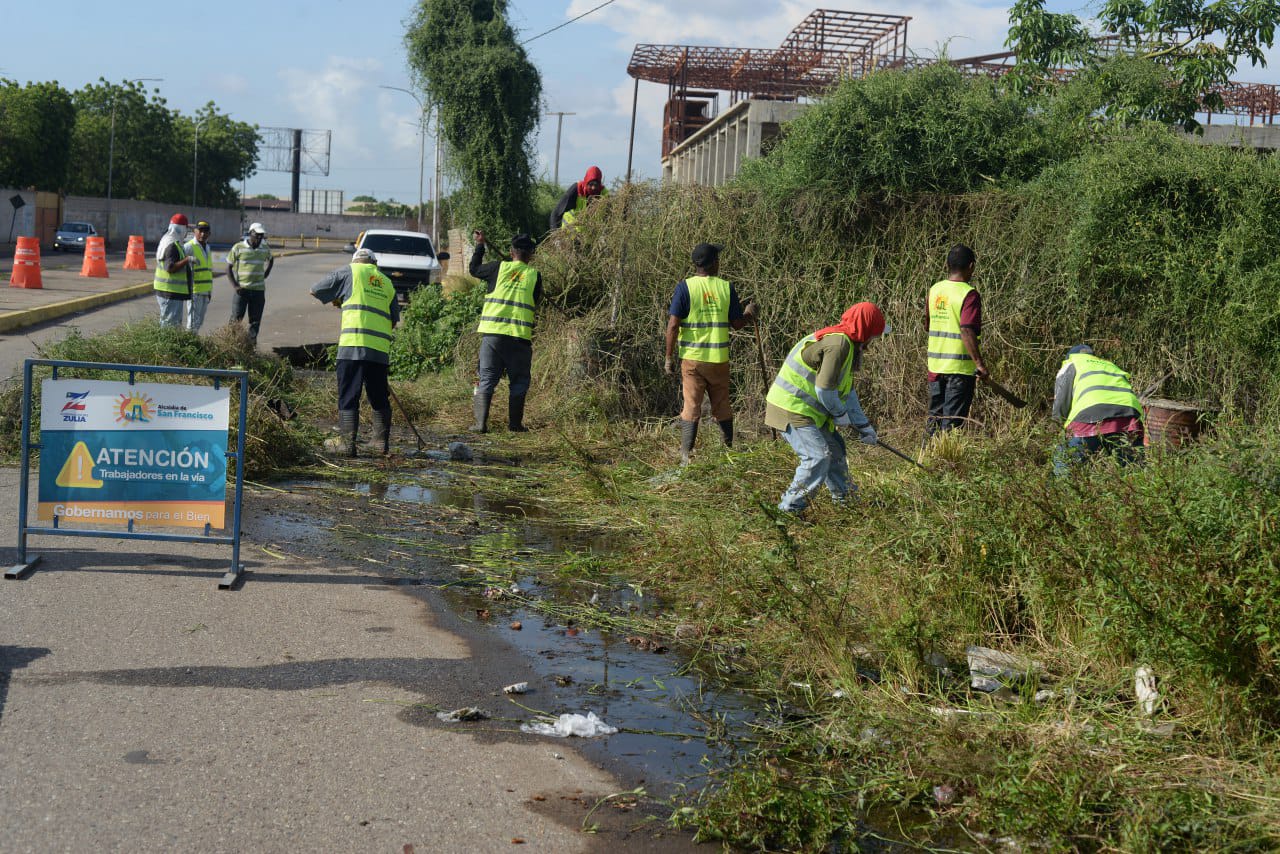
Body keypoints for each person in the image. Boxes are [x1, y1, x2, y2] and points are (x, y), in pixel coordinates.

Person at [766, 303, 887, 513]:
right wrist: (840, 414)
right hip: (791, 406)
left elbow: (846, 392)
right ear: (866, 330)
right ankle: (789, 509)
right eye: (874, 336)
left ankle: (846, 502)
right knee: (817, 457)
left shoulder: (848, 344)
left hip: (807, 410)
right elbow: (824, 389)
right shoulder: (839, 344)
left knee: (835, 450)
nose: (873, 341)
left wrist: (863, 425)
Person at [663, 243, 756, 464]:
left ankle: (686, 455)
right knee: (722, 405)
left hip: (693, 361)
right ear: (714, 263)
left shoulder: (685, 288)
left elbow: (673, 325)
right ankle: (728, 452)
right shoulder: (726, 287)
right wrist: (749, 313)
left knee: (691, 406)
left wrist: (668, 357)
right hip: (719, 360)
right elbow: (737, 324)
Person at [310, 247, 401, 457]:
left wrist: (339, 299)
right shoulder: (386, 283)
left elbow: (315, 290)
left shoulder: (349, 272)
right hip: (379, 350)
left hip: (352, 345)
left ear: (356, 260)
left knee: (349, 395)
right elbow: (394, 320)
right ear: (374, 264)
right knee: (378, 396)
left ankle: (347, 444)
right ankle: (380, 443)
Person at [470, 230, 543, 433]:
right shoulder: (535, 276)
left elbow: (474, 269)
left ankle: (480, 424)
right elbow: (535, 302)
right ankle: (515, 425)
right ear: (532, 255)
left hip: (493, 336)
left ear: (511, 252)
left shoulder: (497, 268)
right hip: (519, 337)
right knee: (519, 382)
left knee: (487, 379)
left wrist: (480, 245)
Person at [924, 243, 988, 440]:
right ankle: (942, 467)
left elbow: (927, 324)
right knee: (951, 425)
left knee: (935, 419)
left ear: (947, 265)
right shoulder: (969, 294)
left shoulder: (935, 290)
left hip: (936, 367)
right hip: (959, 370)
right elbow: (966, 329)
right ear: (971, 266)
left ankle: (925, 461)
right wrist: (979, 364)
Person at [1052, 344, 1145, 474]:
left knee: (1064, 463)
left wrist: (1058, 427)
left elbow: (1062, 403)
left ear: (1069, 356)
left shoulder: (1071, 364)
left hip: (1090, 416)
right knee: (1133, 472)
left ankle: (1061, 492)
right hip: (1129, 418)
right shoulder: (1110, 365)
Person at [226, 222, 274, 345]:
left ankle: (251, 345)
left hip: (258, 290)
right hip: (242, 290)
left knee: (255, 321)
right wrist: (235, 286)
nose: (259, 237)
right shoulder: (238, 247)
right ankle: (230, 343)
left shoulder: (264, 248)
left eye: (261, 235)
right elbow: (228, 267)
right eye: (256, 234)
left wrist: (267, 272)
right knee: (236, 318)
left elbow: (271, 259)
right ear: (250, 233)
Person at [153, 213, 194, 327]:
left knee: (172, 324)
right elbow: (170, 268)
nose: (186, 232)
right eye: (186, 228)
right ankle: (165, 345)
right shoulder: (171, 245)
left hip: (172, 291)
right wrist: (187, 260)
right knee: (169, 326)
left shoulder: (173, 242)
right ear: (181, 228)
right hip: (169, 291)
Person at [551, 166, 606, 231]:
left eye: (596, 185)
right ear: (586, 182)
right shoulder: (576, 190)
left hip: (588, 237)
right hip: (569, 235)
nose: (593, 188)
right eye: (591, 184)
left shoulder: (603, 194)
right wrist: (555, 236)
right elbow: (555, 213)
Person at [184, 221, 214, 332]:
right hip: (195, 291)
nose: (202, 234)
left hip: (205, 292)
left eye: (205, 232)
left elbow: (208, 271)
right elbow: (179, 261)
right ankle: (189, 345)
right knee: (192, 323)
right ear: (194, 231)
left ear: (209, 233)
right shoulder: (189, 246)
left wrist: (209, 291)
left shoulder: (207, 247)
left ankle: (193, 344)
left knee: (199, 322)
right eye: (200, 231)